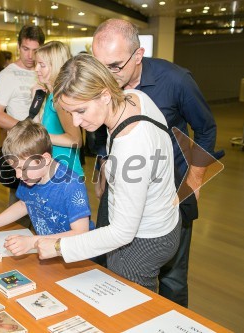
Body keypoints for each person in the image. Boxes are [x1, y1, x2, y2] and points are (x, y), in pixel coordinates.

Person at [92, 19, 222, 306]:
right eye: (99, 66)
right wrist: (100, 174)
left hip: (171, 190)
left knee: (172, 277)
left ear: (138, 56)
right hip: (122, 184)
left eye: (114, 66)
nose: (106, 76)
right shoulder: (101, 81)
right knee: (111, 263)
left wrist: (195, 180)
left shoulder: (175, 80)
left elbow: (206, 128)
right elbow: (101, 132)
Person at [36, 54, 181, 292]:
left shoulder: (131, 145)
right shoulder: (135, 97)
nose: (76, 121)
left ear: (104, 95)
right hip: (166, 222)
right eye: (70, 112)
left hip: (142, 243)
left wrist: (59, 247)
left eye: (81, 110)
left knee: (131, 310)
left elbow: (123, 232)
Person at [0, 119, 93, 256]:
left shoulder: (71, 185)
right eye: (15, 169)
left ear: (44, 159)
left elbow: (81, 233)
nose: (18, 175)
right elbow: (24, 204)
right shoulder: (30, 176)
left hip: (76, 257)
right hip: (47, 252)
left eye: (22, 168)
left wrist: (32, 242)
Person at [0, 25, 45, 209]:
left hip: (44, 148)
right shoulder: (8, 75)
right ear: (18, 47)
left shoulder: (44, 71)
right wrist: (27, 130)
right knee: (20, 206)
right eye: (25, 49)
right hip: (21, 150)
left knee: (43, 205)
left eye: (35, 50)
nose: (30, 56)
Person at [33, 41, 84, 177]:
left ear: (55, 66)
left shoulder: (60, 98)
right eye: (36, 64)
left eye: (42, 65)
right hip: (53, 169)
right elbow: (42, 130)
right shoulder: (51, 96)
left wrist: (39, 137)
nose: (36, 69)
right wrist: (35, 102)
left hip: (66, 172)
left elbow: (76, 140)